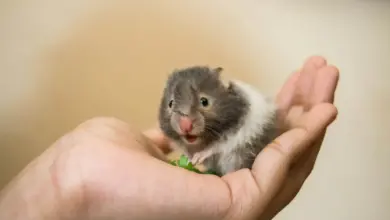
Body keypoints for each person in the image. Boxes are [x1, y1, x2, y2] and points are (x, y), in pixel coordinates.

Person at [0, 56, 339, 220]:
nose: (186, 122)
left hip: (240, 141)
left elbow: (231, 134)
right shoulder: (174, 123)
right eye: (175, 106)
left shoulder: (241, 107)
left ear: (223, 91)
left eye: (203, 104)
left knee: (234, 156)